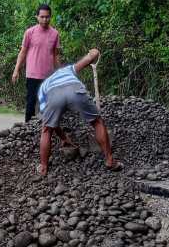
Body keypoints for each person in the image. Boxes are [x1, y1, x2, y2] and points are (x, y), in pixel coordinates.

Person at [36, 48, 120, 176]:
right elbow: (88, 59)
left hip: (53, 95)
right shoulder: (66, 70)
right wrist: (94, 52)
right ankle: (109, 160)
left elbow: (50, 123)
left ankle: (43, 167)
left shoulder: (43, 87)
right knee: (97, 122)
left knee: (46, 130)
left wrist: (63, 137)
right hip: (74, 89)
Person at [12, 4, 61, 122]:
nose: (45, 19)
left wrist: (59, 73)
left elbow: (55, 55)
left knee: (48, 105)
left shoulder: (55, 34)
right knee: (30, 103)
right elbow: (23, 52)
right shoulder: (30, 32)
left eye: (47, 17)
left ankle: (45, 129)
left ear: (50, 17)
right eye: (42, 17)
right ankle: (27, 130)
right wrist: (16, 70)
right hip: (32, 74)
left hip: (48, 76)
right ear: (37, 17)